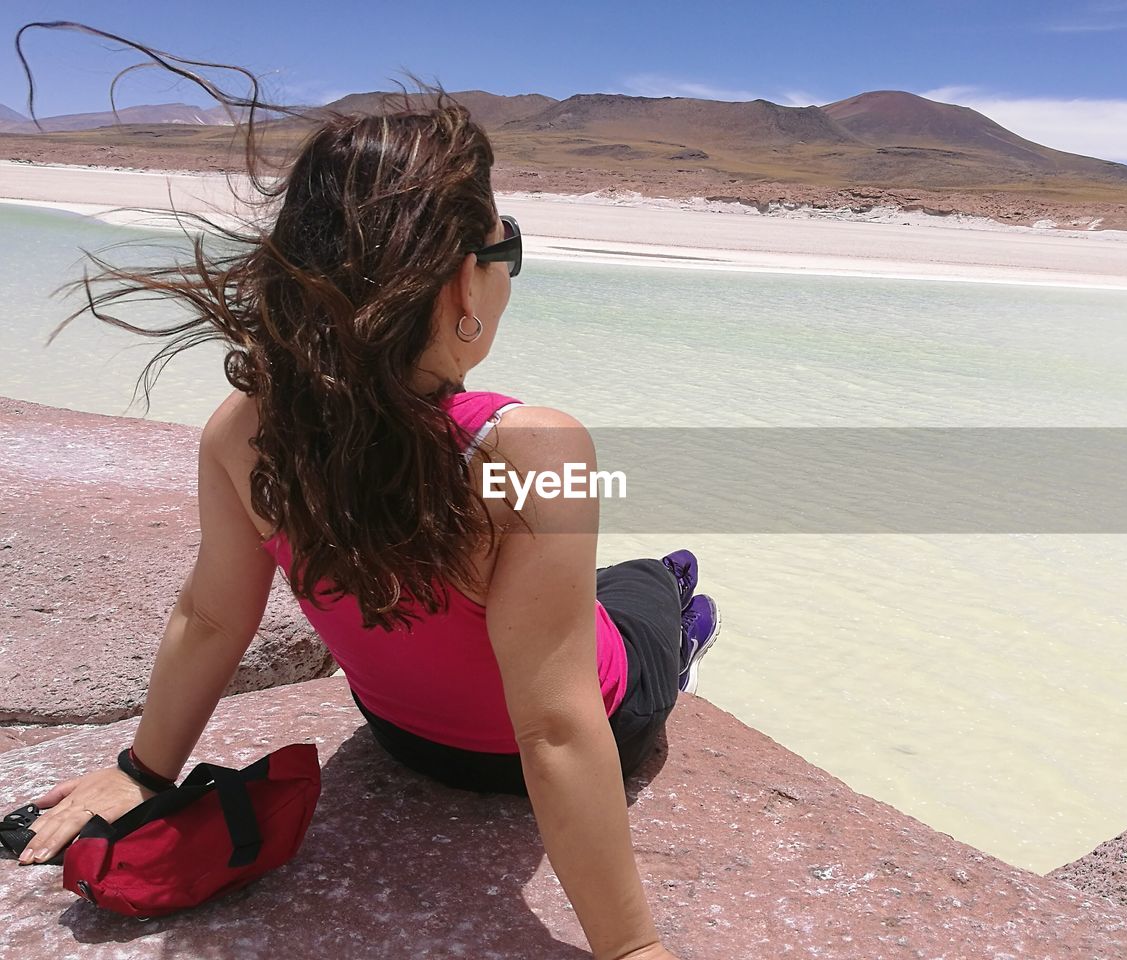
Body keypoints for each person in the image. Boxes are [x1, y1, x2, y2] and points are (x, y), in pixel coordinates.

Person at [12, 24, 722, 960]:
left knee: (593, 589)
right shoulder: (539, 446)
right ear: (467, 280)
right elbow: (554, 725)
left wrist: (144, 770)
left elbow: (212, 617)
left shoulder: (243, 428)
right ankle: (681, 607)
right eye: (506, 241)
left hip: (400, 740)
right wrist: (632, 950)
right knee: (650, 593)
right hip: (536, 750)